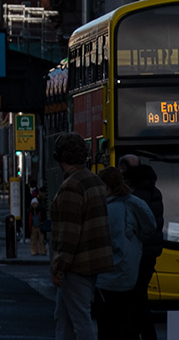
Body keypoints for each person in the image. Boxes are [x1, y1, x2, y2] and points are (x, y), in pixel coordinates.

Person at [48, 132, 113, 340]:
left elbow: (69, 234)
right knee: (64, 318)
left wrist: (58, 268)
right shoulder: (94, 180)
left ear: (60, 156)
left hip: (76, 264)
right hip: (95, 260)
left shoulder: (71, 187)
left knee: (79, 319)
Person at [95, 167, 154, 340]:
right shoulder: (135, 204)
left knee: (108, 327)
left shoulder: (107, 209)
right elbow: (149, 228)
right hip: (131, 272)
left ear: (106, 187)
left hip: (109, 276)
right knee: (129, 324)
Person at [123, 164, 165, 340]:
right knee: (140, 296)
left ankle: (140, 334)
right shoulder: (155, 193)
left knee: (134, 299)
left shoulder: (134, 197)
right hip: (151, 253)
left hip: (138, 253)